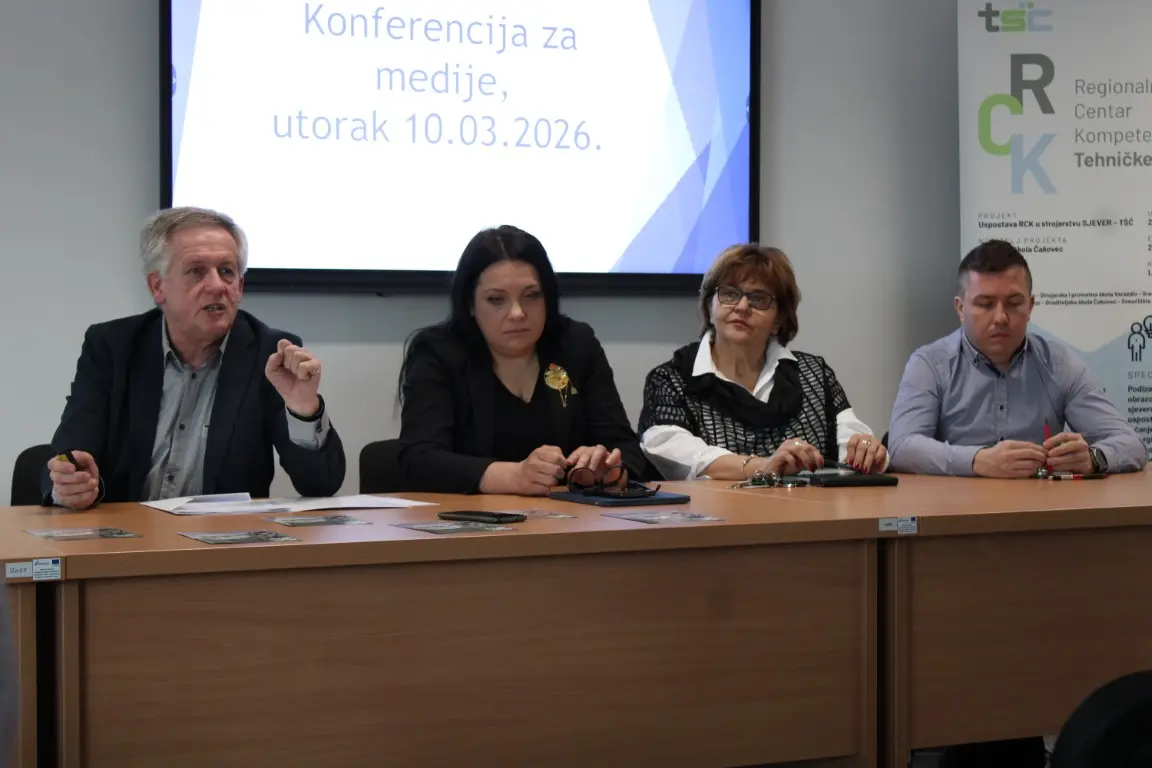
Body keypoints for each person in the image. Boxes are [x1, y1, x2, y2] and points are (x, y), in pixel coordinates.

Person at [43, 206, 346, 508]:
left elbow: (321, 484)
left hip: (222, 535)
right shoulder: (112, 347)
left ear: (239, 287)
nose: (216, 286)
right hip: (127, 532)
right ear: (157, 287)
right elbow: (67, 455)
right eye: (196, 271)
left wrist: (303, 410)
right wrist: (69, 484)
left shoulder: (270, 354)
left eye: (227, 271)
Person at [396, 225, 647, 495]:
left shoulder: (575, 344)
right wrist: (512, 476)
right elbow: (418, 461)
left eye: (531, 296)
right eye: (496, 299)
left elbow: (627, 448)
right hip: (472, 517)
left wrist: (607, 469)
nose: (517, 313)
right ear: (470, 303)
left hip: (569, 517)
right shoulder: (438, 352)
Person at [889, 239, 1147, 479]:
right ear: (961, 308)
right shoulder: (930, 364)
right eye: (985, 304)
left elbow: (1132, 444)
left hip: (1041, 506)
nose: (1001, 317)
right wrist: (977, 460)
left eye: (1013, 303)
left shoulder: (1058, 364)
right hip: (956, 505)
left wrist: (1093, 458)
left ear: (1030, 306)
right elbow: (902, 446)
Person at [638, 244, 887, 481]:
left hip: (807, 508)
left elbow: (851, 440)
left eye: (759, 299)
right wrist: (763, 466)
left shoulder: (814, 374)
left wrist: (868, 452)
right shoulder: (672, 379)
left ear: (779, 319)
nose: (742, 307)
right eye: (729, 294)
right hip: (717, 510)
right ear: (709, 306)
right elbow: (674, 452)